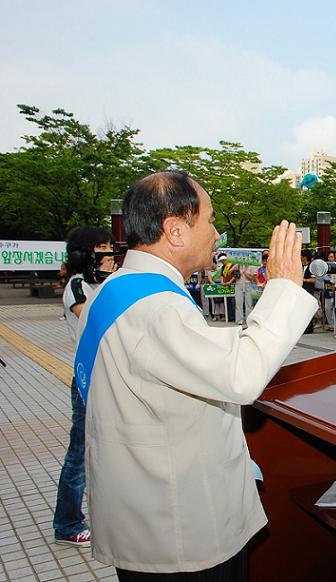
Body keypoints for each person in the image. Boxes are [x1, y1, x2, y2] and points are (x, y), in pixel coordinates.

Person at [79, 171, 318, 579]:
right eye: (209, 221)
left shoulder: (115, 289)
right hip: (179, 530)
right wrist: (283, 287)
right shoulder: (155, 307)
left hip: (143, 507)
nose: (216, 233)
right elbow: (243, 375)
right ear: (175, 230)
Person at [54, 226, 116, 548]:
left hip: (104, 379)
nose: (110, 256)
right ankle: (66, 523)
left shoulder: (97, 284)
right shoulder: (78, 287)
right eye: (103, 249)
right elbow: (95, 320)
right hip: (86, 380)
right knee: (78, 455)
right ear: (86, 254)